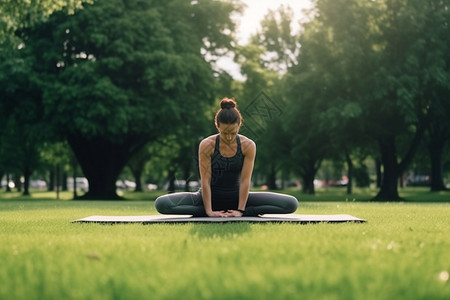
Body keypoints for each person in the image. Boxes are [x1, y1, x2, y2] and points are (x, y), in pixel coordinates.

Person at [155, 98, 298, 217]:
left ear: (239, 125)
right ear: (217, 126)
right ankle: (205, 212)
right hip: (208, 198)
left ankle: (247, 212)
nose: (229, 137)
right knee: (162, 204)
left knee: (291, 203)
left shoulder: (248, 145)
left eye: (233, 132)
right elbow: (205, 181)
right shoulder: (207, 145)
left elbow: (245, 181)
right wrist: (209, 211)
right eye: (224, 133)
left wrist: (241, 211)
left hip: (239, 198)